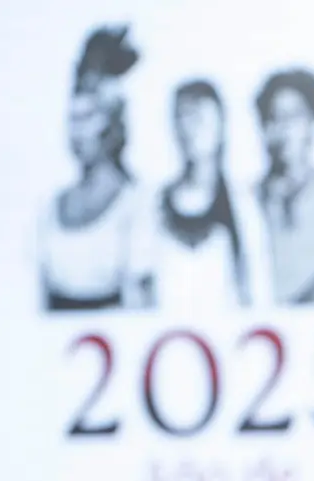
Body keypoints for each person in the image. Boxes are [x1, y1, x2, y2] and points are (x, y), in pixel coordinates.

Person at [38, 25, 150, 312]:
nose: (78, 132)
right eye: (73, 118)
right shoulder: (50, 208)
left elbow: (140, 306)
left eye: (88, 117)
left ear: (110, 122)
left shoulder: (136, 205)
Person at [145, 79, 270, 311]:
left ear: (221, 124)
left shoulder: (242, 204)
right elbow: (138, 284)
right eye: (183, 116)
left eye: (199, 117)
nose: (191, 128)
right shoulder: (154, 205)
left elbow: (258, 289)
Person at [254, 67, 314, 305]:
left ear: (312, 123)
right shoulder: (250, 200)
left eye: (294, 116)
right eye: (275, 117)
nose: (284, 128)